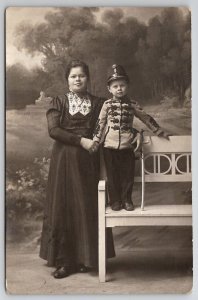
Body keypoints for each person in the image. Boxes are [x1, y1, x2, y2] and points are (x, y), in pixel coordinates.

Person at [39, 60, 115, 279]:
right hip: (64, 161)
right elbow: (54, 130)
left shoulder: (99, 103)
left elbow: (114, 126)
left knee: (87, 206)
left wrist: (136, 138)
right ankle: (65, 261)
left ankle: (86, 259)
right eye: (73, 76)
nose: (78, 79)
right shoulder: (59, 102)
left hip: (89, 162)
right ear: (67, 80)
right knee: (65, 207)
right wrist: (81, 141)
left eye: (81, 75)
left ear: (87, 78)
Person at [92, 64, 169, 211]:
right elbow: (100, 123)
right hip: (109, 146)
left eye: (122, 85)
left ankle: (127, 199)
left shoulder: (132, 104)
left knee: (128, 175)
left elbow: (146, 118)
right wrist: (96, 140)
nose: (119, 88)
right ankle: (115, 201)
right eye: (115, 86)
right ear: (109, 89)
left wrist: (158, 131)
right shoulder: (107, 105)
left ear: (127, 86)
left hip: (128, 146)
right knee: (112, 176)